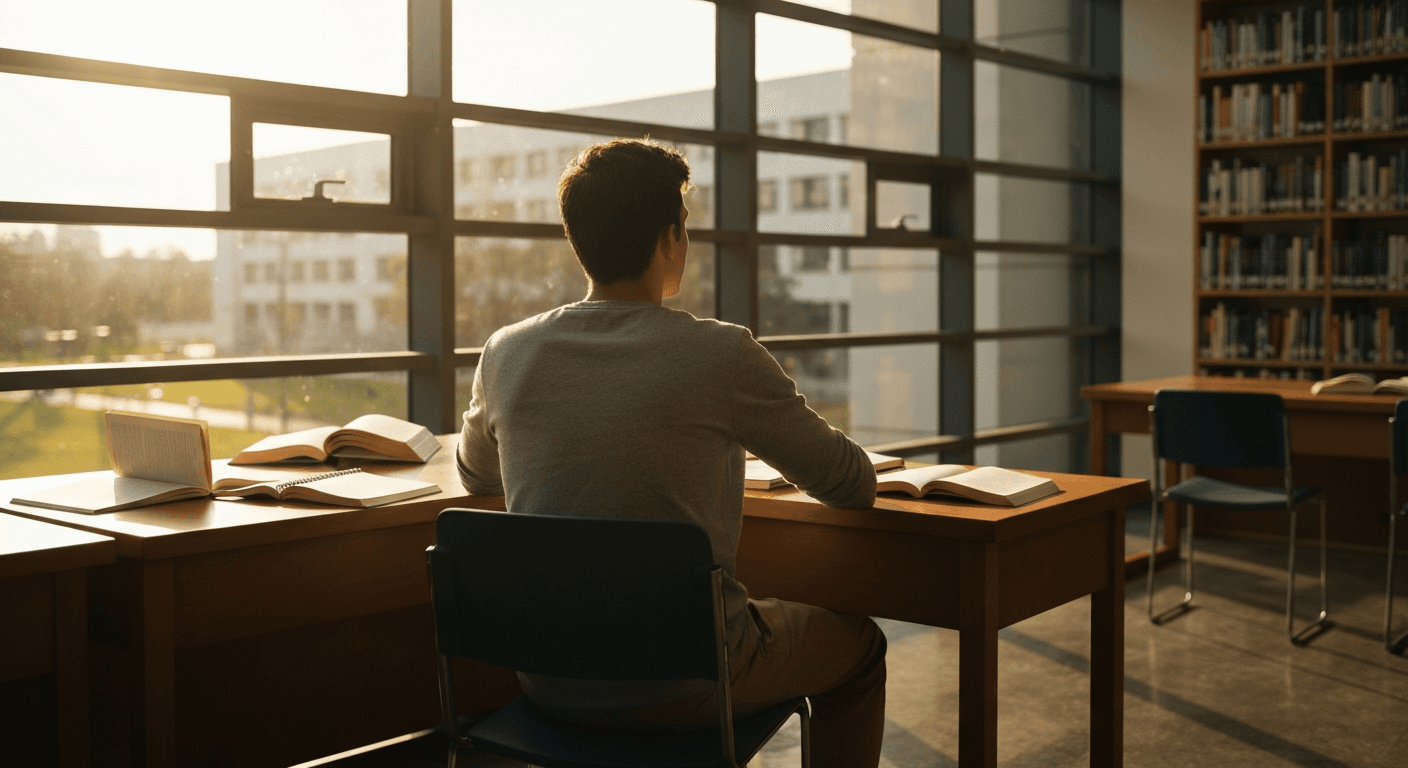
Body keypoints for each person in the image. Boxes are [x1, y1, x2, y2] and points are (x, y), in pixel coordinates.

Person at [458, 138, 886, 767]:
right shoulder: (721, 354)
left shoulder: (506, 351)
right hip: (692, 683)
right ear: (669, 238)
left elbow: (474, 475)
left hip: (549, 681)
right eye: (685, 227)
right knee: (861, 649)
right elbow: (851, 484)